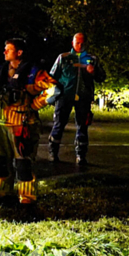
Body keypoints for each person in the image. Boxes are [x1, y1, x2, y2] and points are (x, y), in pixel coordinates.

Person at [0, 38, 55, 205]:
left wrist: (36, 104)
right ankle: (1, 191)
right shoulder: (2, 70)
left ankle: (27, 198)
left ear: (19, 52)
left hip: (22, 123)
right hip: (0, 122)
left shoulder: (33, 72)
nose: (4, 52)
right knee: (1, 160)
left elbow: (54, 89)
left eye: (8, 49)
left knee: (23, 161)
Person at [48, 32, 106, 168]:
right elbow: (52, 77)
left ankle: (81, 155)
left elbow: (102, 77)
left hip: (84, 98)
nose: (80, 45)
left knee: (83, 126)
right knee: (58, 125)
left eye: (82, 42)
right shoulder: (63, 58)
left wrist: (94, 72)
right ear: (72, 43)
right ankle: (53, 152)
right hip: (64, 97)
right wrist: (51, 95)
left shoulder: (92, 59)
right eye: (77, 42)